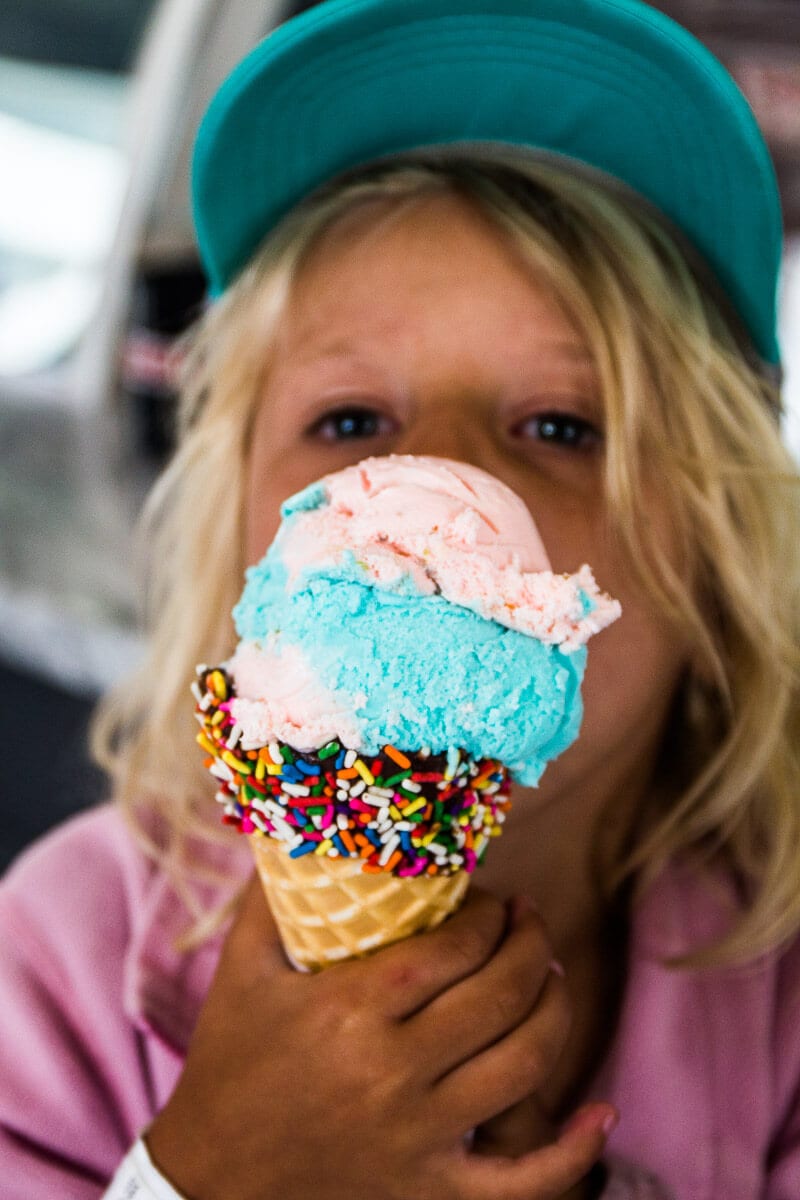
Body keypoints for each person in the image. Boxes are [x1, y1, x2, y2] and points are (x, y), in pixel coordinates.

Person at [2, 0, 799, 1196]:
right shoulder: (60, 952)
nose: (434, 482)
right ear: (239, 545)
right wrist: (206, 1177)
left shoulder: (778, 1002)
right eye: (351, 421)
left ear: (715, 559)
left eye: (559, 426)